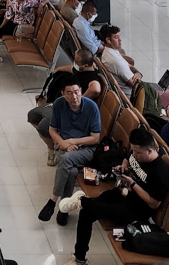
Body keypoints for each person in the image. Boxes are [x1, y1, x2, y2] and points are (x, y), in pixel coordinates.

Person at [65, 129, 169, 264]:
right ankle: (79, 258)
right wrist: (123, 166)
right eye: (133, 150)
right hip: (123, 193)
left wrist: (133, 184)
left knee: (88, 209)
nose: (134, 154)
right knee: (86, 213)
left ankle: (81, 201)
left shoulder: (160, 173)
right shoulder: (137, 153)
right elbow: (127, 158)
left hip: (136, 210)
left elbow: (153, 203)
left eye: (137, 152)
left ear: (150, 151)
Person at [37, 74, 103, 225]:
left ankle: (53, 201)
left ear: (81, 90)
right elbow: (52, 130)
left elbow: (95, 138)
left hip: (86, 149)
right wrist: (62, 143)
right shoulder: (59, 104)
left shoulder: (91, 107)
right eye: (69, 93)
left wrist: (72, 141)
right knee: (71, 171)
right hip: (66, 147)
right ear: (63, 94)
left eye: (76, 92)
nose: (74, 96)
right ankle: (64, 209)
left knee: (66, 159)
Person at [28, 50, 103, 164]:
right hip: (58, 103)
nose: (74, 63)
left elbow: (96, 89)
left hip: (67, 109)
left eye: (76, 61)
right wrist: (58, 69)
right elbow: (71, 68)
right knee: (32, 115)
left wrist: (77, 99)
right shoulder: (79, 69)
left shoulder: (92, 77)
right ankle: (59, 143)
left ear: (85, 65)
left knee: (43, 127)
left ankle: (53, 149)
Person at [97, 24, 145, 92]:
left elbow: (129, 65)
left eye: (119, 36)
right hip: (134, 94)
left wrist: (137, 72)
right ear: (108, 40)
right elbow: (135, 84)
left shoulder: (109, 51)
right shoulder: (115, 60)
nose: (120, 40)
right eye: (116, 37)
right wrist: (139, 75)